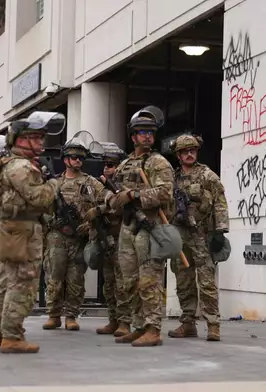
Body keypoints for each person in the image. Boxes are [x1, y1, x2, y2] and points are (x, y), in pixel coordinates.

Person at [0, 111, 62, 354]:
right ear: (19, 140)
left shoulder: (7, 164)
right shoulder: (22, 167)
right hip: (21, 232)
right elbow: (40, 198)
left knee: (6, 282)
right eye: (35, 138)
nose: (41, 143)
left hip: (10, 230)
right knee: (22, 283)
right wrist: (53, 183)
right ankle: (12, 336)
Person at [107, 106, 175, 347]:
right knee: (129, 280)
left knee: (149, 280)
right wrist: (114, 200)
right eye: (141, 132)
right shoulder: (125, 164)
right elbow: (111, 193)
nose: (147, 136)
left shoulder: (158, 162)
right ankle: (138, 325)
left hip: (148, 226)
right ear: (133, 136)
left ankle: (153, 328)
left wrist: (134, 195)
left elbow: (165, 193)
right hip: (127, 228)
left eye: (150, 132)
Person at [168, 135, 229, 341]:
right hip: (180, 235)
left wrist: (220, 230)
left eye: (193, 150)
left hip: (202, 235)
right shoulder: (172, 178)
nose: (190, 154)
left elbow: (220, 202)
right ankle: (187, 323)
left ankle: (213, 325)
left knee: (207, 281)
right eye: (185, 151)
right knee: (183, 280)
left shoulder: (207, 175)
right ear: (178, 155)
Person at [42, 138, 107, 331]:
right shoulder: (55, 183)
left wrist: (92, 220)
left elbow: (108, 200)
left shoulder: (90, 182)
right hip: (57, 237)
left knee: (76, 278)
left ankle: (71, 315)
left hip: (79, 238)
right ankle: (53, 315)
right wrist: (53, 222)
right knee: (54, 276)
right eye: (73, 157)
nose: (78, 161)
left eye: (80, 158)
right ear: (65, 160)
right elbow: (43, 208)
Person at [92, 147, 130, 337]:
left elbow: (121, 206)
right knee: (108, 284)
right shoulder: (100, 186)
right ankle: (113, 320)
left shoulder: (123, 185)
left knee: (122, 283)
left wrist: (101, 208)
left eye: (112, 165)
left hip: (122, 238)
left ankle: (125, 322)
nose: (108, 169)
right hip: (106, 239)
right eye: (105, 165)